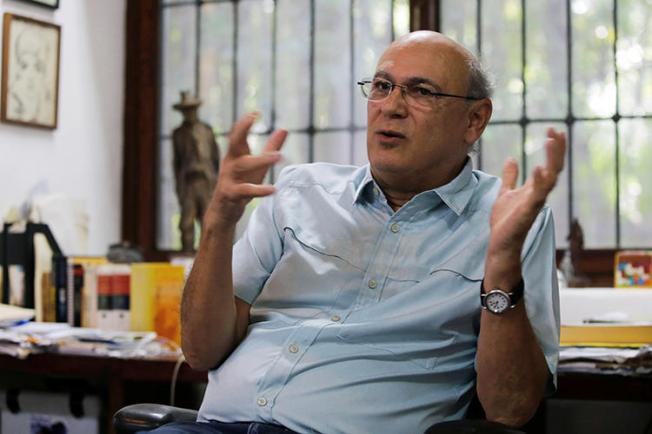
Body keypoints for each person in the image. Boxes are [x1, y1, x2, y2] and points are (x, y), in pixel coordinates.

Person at [156, 31, 565, 434]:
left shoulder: (509, 218)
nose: (392, 107)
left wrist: (502, 265)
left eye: (421, 91)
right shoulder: (299, 191)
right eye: (382, 86)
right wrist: (218, 223)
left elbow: (510, 409)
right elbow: (200, 351)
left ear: (474, 120)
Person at [172, 91, 221, 252]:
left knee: (207, 220)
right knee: (186, 221)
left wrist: (216, 183)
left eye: (192, 109)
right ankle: (187, 252)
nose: (189, 113)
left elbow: (215, 159)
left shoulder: (207, 131)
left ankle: (207, 256)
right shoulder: (178, 134)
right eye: (186, 110)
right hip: (188, 182)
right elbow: (177, 162)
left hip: (206, 181)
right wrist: (179, 186)